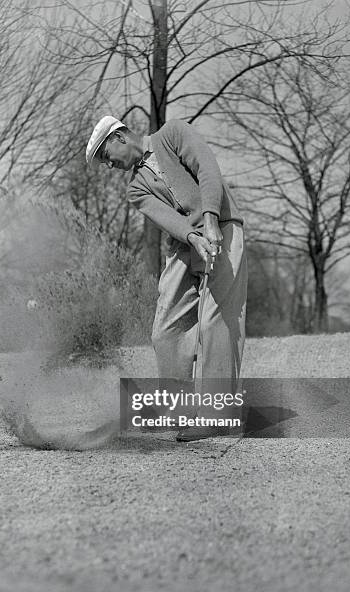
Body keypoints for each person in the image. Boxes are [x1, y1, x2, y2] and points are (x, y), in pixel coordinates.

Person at [86, 116, 247, 441]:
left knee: (215, 321)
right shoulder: (135, 189)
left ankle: (217, 415)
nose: (109, 167)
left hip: (224, 226)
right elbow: (167, 218)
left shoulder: (172, 134)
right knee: (165, 328)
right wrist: (194, 238)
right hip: (185, 243)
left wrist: (211, 220)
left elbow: (207, 169)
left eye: (106, 158)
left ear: (119, 137)